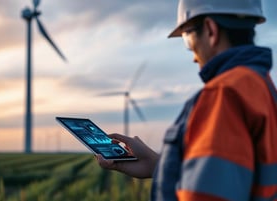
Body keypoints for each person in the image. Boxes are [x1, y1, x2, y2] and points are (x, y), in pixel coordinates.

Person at [96, 0, 277, 200]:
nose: (193, 57)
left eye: (187, 38)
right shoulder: (264, 88)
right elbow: (233, 182)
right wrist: (157, 165)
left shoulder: (224, 94)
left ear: (210, 30)